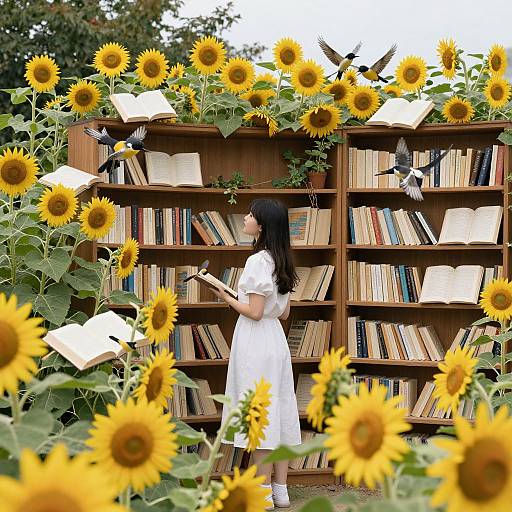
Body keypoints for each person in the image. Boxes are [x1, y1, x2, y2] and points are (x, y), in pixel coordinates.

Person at [212, 198, 302, 510]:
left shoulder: (256, 262)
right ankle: (280, 490)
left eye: (250, 215)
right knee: (277, 411)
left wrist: (226, 296)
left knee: (259, 417)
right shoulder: (284, 260)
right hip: (276, 342)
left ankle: (261, 495)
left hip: (254, 342)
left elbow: (253, 311)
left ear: (261, 226)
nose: (246, 218)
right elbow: (284, 313)